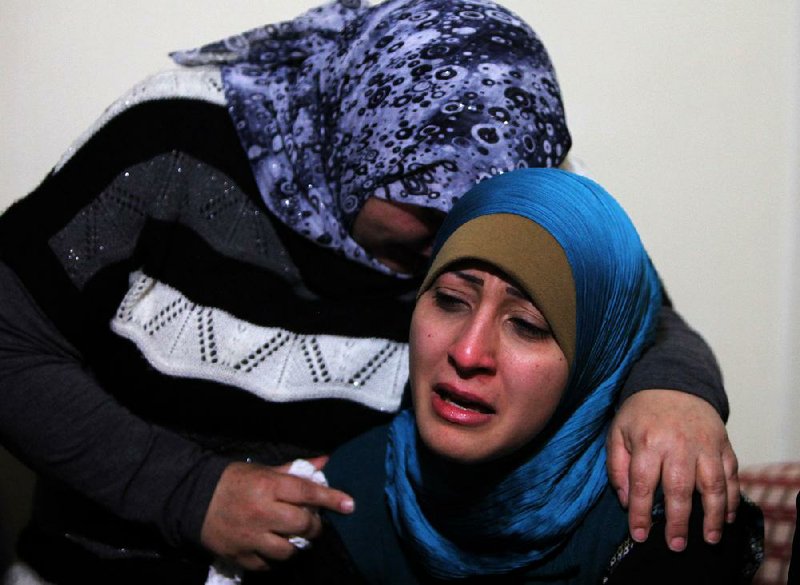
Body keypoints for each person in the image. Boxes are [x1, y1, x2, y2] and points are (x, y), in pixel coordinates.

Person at [0, 0, 735, 582]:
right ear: (358, 146)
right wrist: (189, 492)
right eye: (429, 209)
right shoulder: (170, 150)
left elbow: (634, 314)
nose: (458, 240)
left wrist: (675, 390)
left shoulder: (510, 155)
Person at [299, 167, 763, 584]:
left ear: (594, 360)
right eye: (450, 300)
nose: (467, 351)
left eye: (527, 326)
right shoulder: (348, 493)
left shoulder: (668, 519)